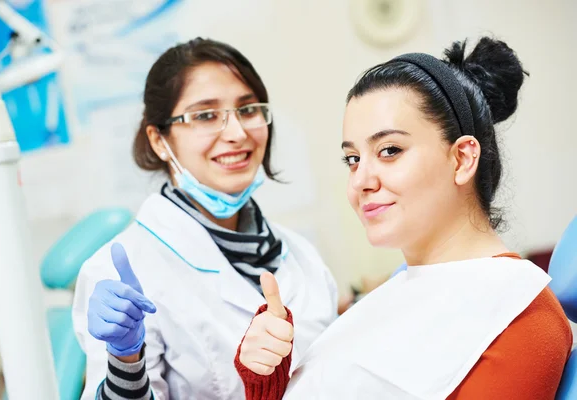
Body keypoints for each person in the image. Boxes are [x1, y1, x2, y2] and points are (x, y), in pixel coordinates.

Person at [235, 37, 573, 399]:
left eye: (390, 150)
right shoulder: (400, 290)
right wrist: (266, 379)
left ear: (462, 159)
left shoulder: (521, 315)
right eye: (353, 159)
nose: (361, 181)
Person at [71, 38, 339, 400]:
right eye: (205, 115)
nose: (236, 133)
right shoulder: (124, 272)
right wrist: (125, 361)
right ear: (159, 140)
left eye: (248, 110)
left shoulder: (301, 255)